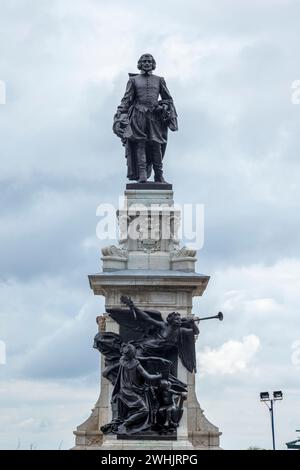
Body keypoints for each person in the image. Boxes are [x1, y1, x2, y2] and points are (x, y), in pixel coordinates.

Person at [113, 53, 178, 183]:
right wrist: (120, 113)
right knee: (140, 144)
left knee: (156, 145)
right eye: (144, 61)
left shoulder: (160, 80)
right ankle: (142, 174)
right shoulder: (133, 80)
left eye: (149, 61)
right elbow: (126, 99)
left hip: (155, 116)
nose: (147, 63)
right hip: (139, 115)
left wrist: (164, 106)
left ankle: (158, 175)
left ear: (153, 64)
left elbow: (168, 99)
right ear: (140, 64)